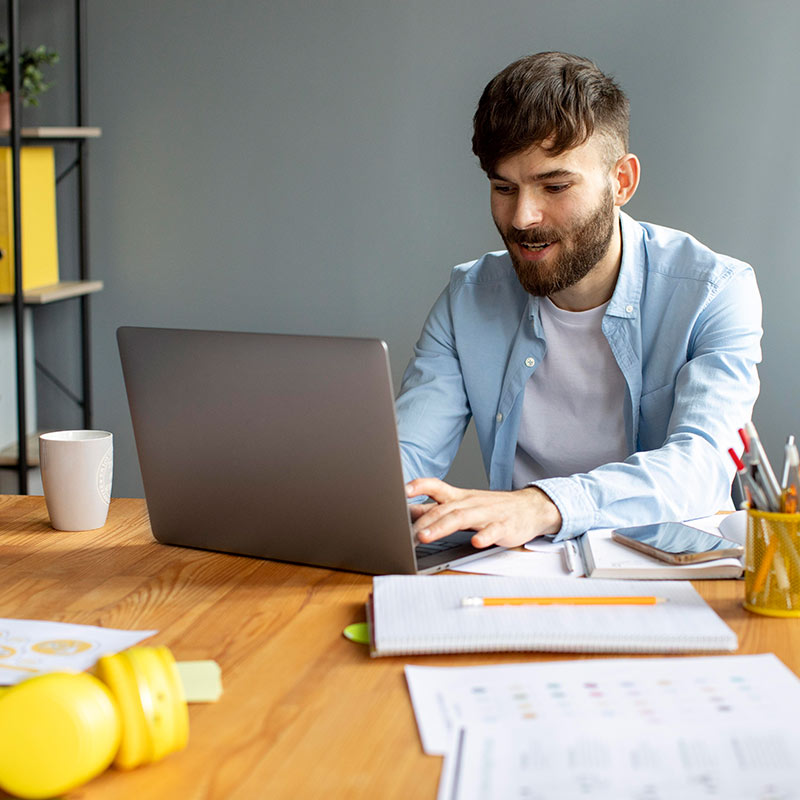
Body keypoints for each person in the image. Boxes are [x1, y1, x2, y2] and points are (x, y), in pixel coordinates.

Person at [396, 51, 762, 550]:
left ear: (622, 182)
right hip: (519, 575)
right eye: (504, 187)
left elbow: (700, 469)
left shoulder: (715, 292)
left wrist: (542, 505)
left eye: (555, 185)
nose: (523, 216)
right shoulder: (468, 299)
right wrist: (393, 507)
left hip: (673, 583)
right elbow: (406, 462)